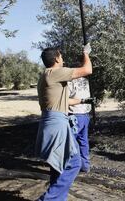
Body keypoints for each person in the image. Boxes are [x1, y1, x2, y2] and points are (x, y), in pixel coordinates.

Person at [35, 44, 92, 201]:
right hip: (57, 124)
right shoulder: (56, 72)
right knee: (74, 163)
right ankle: (48, 199)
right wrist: (85, 53)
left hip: (49, 122)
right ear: (56, 58)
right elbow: (87, 70)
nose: (63, 59)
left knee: (58, 163)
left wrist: (83, 100)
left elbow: (63, 100)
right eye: (61, 56)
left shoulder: (45, 75)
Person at [68, 65, 94, 173]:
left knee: (71, 141)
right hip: (85, 114)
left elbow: (66, 98)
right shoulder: (85, 80)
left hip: (74, 114)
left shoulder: (70, 81)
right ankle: (85, 165)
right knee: (83, 141)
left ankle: (72, 166)